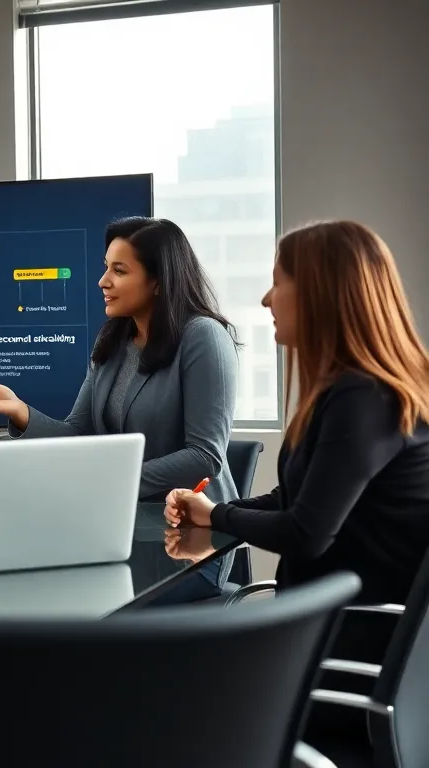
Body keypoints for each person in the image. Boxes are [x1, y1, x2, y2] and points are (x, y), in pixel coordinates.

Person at [165, 220, 429, 752]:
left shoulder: (363, 399)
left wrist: (218, 517)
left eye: (278, 281)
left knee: (160, 693)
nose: (266, 299)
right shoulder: (352, 392)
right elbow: (295, 501)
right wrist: (213, 509)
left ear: (320, 294)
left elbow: (307, 533)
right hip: (338, 639)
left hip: (343, 657)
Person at [0, 216, 241, 503]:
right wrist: (19, 411)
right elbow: (78, 434)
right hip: (121, 519)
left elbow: (204, 457)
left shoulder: (204, 337)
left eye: (119, 270)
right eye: (107, 267)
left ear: (158, 282)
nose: (103, 281)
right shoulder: (112, 342)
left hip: (195, 526)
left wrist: (113, 482)